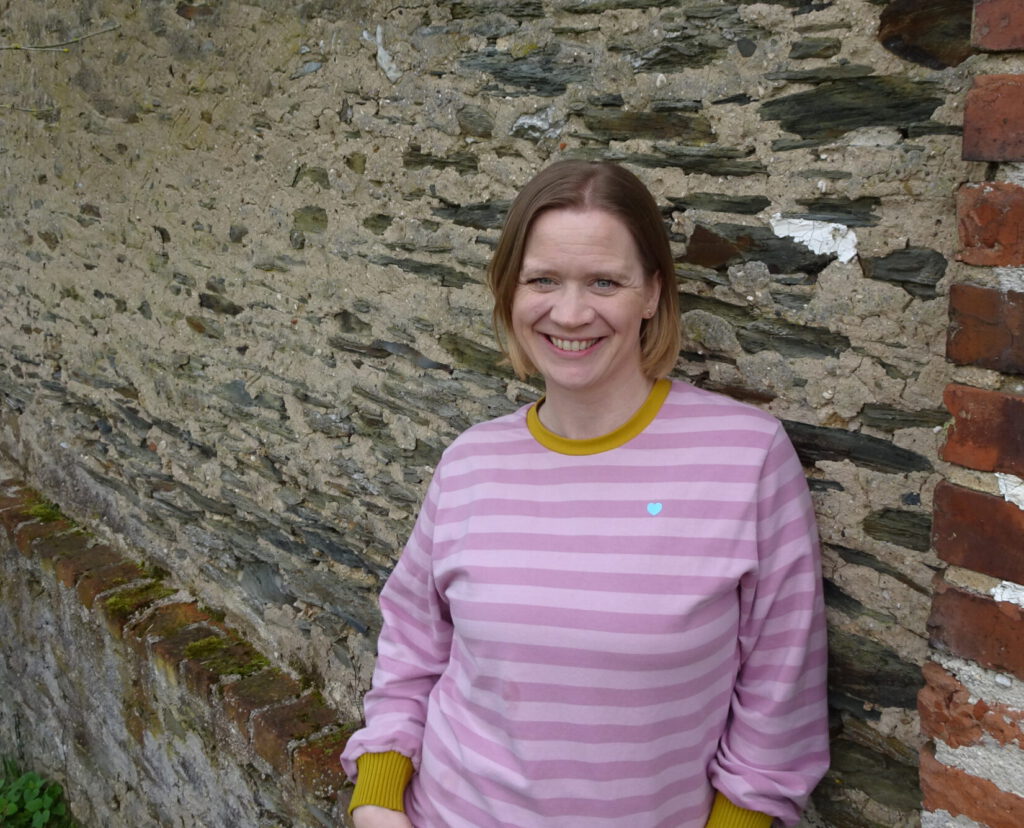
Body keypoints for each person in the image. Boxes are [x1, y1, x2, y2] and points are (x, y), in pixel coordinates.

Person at [340, 160, 829, 828]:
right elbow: (412, 646)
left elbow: (781, 694)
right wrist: (377, 794)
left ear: (652, 292)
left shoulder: (745, 458)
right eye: (543, 280)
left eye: (605, 281)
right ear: (511, 291)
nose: (570, 314)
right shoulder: (470, 463)